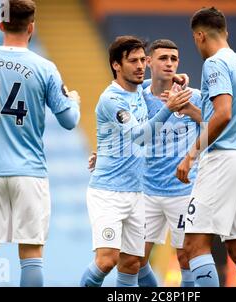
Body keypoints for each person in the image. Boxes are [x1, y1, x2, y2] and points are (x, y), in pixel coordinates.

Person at [0, 0, 80, 287]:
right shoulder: (44, 68)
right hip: (30, 173)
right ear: (31, 27)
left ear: (0, 24)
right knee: (31, 252)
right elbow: (69, 121)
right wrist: (73, 100)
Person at [80, 36, 192, 287]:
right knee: (107, 260)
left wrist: (177, 77)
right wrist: (169, 107)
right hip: (108, 192)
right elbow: (139, 136)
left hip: (137, 193)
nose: (140, 65)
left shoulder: (140, 92)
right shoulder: (112, 99)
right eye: (133, 61)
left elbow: (157, 85)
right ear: (116, 65)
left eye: (143, 60)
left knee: (133, 263)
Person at [175, 7, 236, 287]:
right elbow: (232, 115)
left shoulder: (214, 63)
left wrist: (191, 154)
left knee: (194, 246)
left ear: (200, 35)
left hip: (224, 160)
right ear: (225, 31)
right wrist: (195, 110)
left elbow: (223, 114)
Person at [136, 39, 202, 287]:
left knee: (186, 258)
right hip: (147, 190)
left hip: (183, 190)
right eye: (163, 58)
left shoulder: (192, 95)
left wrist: (190, 110)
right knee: (136, 259)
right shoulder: (137, 98)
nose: (169, 63)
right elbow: (130, 135)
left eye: (174, 59)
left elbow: (217, 123)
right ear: (149, 61)